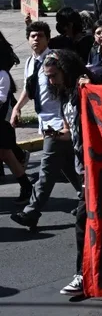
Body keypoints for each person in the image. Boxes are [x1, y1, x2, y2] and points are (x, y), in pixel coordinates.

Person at [9, 22, 83, 230]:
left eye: (40, 35)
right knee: (67, 166)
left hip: (59, 124)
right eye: (32, 36)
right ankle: (86, 198)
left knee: (46, 171)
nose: (36, 39)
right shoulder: (31, 62)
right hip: (46, 123)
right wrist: (17, 108)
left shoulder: (56, 61)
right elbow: (29, 88)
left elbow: (67, 88)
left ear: (48, 38)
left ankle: (31, 212)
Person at [34, 50, 91, 295]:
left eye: (54, 75)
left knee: (82, 221)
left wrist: (89, 86)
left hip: (95, 168)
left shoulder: (83, 91)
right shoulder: (65, 95)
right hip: (82, 169)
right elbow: (70, 132)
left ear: (66, 71)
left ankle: (82, 275)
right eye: (48, 77)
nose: (51, 81)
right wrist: (57, 135)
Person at [0, 46, 32, 204]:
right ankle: (26, 186)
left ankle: (27, 187)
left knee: (7, 155)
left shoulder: (2, 75)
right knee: (6, 155)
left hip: (2, 123)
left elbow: (1, 99)